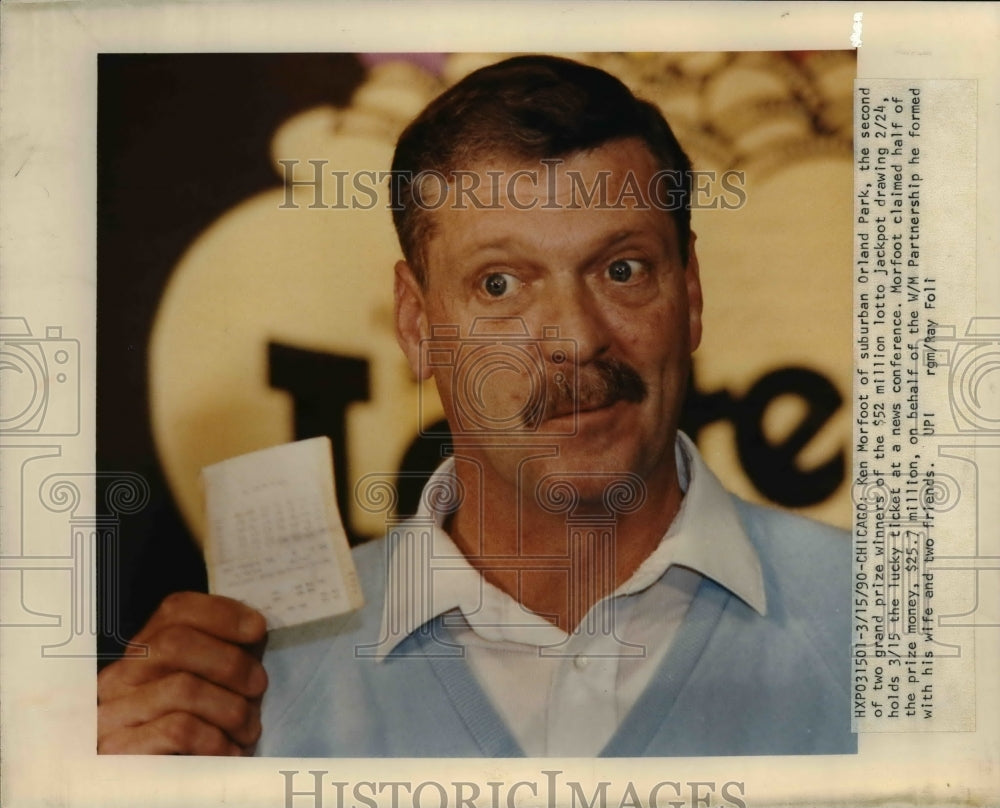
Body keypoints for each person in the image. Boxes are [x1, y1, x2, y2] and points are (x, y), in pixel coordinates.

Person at [97, 55, 855, 757]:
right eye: (500, 284)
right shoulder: (244, 688)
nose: (576, 339)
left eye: (622, 269)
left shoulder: (888, 629)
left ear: (689, 294)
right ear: (416, 324)